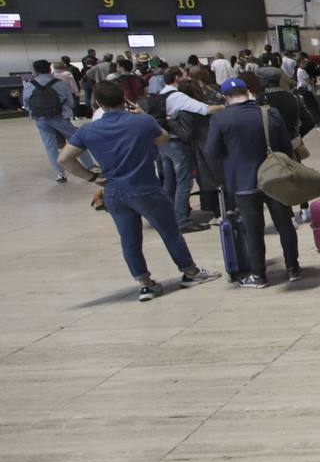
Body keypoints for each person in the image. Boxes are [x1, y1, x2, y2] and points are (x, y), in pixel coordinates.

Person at [58, 81, 221, 301]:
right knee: (170, 232)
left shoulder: (88, 130)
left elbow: (65, 159)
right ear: (124, 99)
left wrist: (93, 177)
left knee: (129, 239)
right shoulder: (142, 122)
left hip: (114, 190)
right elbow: (163, 139)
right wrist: (144, 115)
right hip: (145, 187)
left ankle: (145, 284)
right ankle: (190, 272)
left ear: (98, 103)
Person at [204, 77, 304, 287]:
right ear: (247, 91)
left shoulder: (220, 119)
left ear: (225, 97)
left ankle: (259, 275)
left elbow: (211, 152)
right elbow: (285, 146)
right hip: (274, 178)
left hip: (243, 182)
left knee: (253, 230)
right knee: (284, 224)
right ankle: (293, 269)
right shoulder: (269, 113)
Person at [159, 67, 223, 232]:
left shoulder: (160, 94)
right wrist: (227, 106)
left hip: (163, 142)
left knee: (169, 181)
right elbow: (205, 109)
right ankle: (181, 220)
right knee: (184, 183)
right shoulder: (178, 97)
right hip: (177, 144)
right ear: (177, 78)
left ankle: (167, 217)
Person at [23, 59, 97, 182]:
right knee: (76, 141)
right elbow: (71, 102)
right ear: (49, 69)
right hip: (60, 117)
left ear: (35, 71)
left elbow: (26, 104)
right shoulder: (59, 83)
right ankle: (89, 166)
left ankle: (60, 173)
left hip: (40, 118)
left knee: (50, 145)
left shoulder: (30, 84)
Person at [259, 66, 316, 221]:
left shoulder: (260, 101)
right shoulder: (295, 98)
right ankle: (305, 208)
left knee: (277, 180)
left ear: (264, 81)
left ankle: (288, 214)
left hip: (270, 147)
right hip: (292, 144)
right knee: (297, 175)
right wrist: (297, 136)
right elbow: (310, 121)